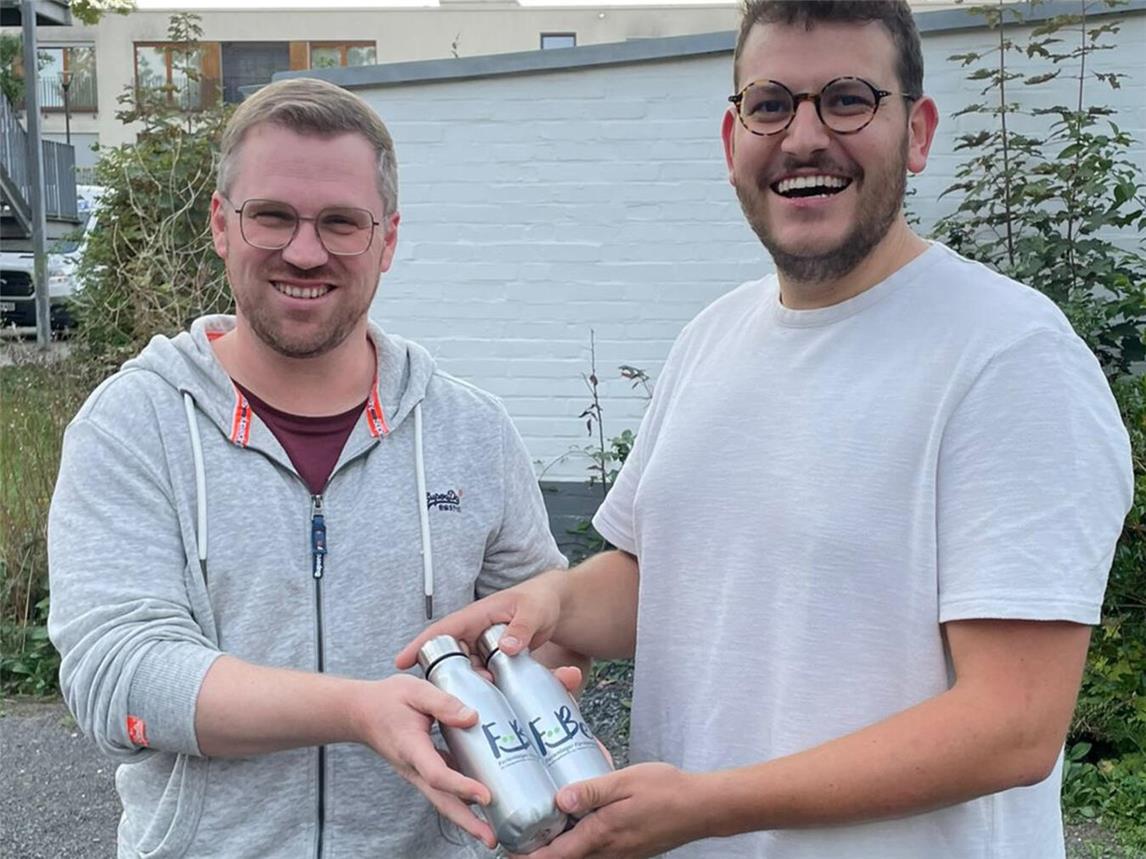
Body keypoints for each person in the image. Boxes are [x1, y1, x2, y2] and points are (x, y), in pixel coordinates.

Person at [396, 2, 1135, 857]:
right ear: (732, 139)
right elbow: (665, 577)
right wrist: (553, 602)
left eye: (848, 99)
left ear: (918, 132)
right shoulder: (711, 337)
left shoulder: (1008, 355)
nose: (805, 137)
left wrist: (712, 804)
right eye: (772, 104)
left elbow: (1013, 723)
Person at [47, 77, 582, 858]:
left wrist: (530, 680)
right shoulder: (134, 425)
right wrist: (357, 710)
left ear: (387, 239)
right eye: (272, 216)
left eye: (341, 222)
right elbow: (118, 678)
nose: (305, 251)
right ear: (221, 224)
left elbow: (545, 625)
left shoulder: (471, 430)